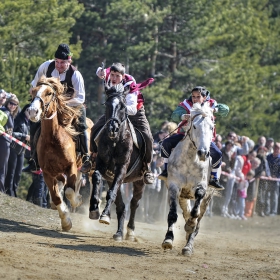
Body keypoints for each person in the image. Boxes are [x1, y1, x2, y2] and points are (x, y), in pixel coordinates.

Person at [22, 43, 91, 172]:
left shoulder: (76, 75)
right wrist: (37, 98)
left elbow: (80, 98)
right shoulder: (46, 66)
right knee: (35, 123)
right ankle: (33, 159)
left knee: (81, 124)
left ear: (69, 61)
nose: (59, 65)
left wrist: (62, 104)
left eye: (62, 63)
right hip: (47, 104)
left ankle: (86, 157)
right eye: (57, 62)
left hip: (71, 105)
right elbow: (34, 85)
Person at [85, 62, 155, 184]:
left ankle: (146, 167)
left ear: (123, 76)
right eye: (112, 75)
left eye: (118, 76)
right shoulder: (108, 76)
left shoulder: (130, 85)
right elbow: (99, 71)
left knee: (147, 137)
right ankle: (92, 158)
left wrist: (120, 108)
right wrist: (100, 72)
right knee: (95, 128)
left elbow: (132, 109)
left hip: (135, 113)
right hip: (115, 112)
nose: (114, 78)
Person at [158, 86, 228, 190]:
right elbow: (174, 115)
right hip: (185, 134)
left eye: (198, 96)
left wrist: (215, 110)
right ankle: (165, 170)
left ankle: (214, 178)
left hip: (204, 138)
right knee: (166, 143)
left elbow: (226, 110)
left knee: (217, 153)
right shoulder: (186, 104)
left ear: (204, 97)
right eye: (193, 96)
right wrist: (183, 116)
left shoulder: (211, 104)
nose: (195, 99)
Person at [5, 104, 30, 197]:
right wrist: (25, 136)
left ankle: (14, 192)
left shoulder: (28, 122)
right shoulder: (18, 119)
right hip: (13, 148)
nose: (30, 113)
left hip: (21, 150)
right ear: (25, 110)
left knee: (18, 173)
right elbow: (12, 133)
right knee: (11, 171)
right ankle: (9, 191)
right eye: (29, 110)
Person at [0, 94, 19, 193]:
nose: (13, 106)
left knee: (4, 167)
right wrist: (3, 132)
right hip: (3, 142)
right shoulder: (5, 113)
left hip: (7, 142)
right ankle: (1, 190)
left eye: (15, 104)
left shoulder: (11, 114)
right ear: (8, 103)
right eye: (11, 103)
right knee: (2, 167)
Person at [265, 142, 280, 216]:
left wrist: (276, 176)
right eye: (275, 147)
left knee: (274, 196)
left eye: (278, 148)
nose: (276, 149)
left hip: (276, 180)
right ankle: (267, 210)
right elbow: (265, 166)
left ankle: (273, 211)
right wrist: (268, 175)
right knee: (267, 195)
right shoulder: (268, 157)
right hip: (267, 178)